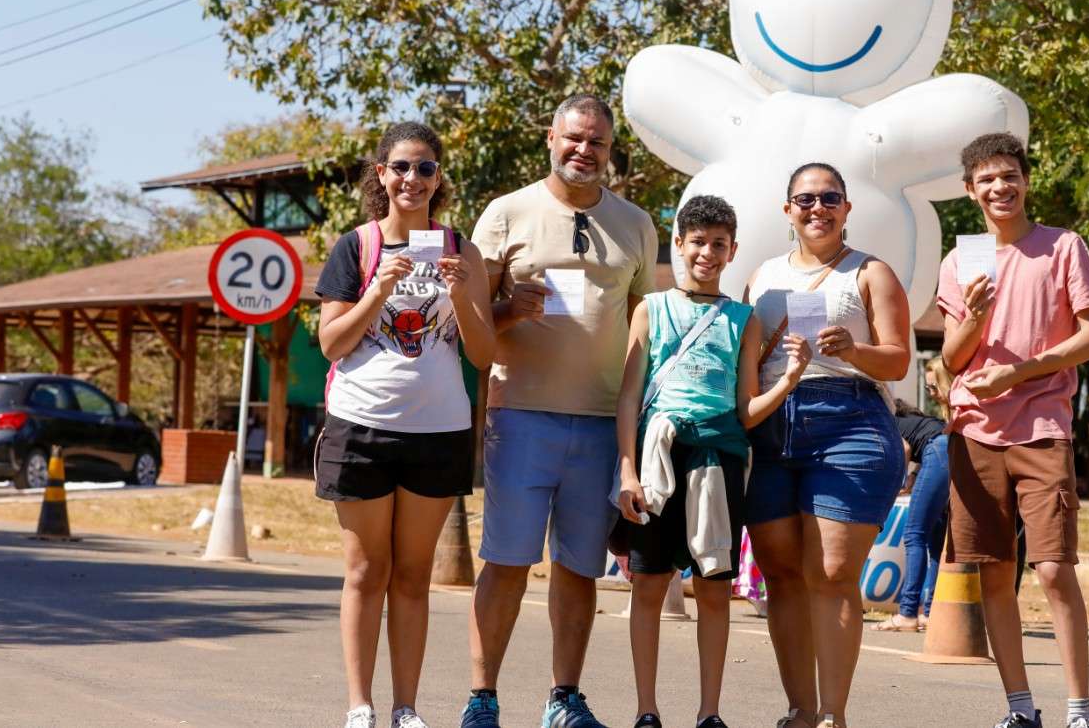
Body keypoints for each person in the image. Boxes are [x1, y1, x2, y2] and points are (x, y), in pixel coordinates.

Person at [462, 94, 657, 728]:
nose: (584, 150)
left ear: (610, 149)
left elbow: (644, 325)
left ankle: (563, 700)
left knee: (579, 568)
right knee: (507, 562)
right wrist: (507, 310)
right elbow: (469, 321)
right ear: (551, 137)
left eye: (597, 142)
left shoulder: (636, 223)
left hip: (603, 422)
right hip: (520, 414)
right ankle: (482, 699)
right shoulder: (506, 213)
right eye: (574, 137)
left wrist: (639, 427)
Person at [314, 121, 496, 728]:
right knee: (367, 571)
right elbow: (331, 344)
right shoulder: (356, 246)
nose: (412, 178)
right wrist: (377, 290)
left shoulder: (461, 249)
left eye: (425, 168)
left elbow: (483, 355)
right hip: (361, 426)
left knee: (414, 576)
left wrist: (464, 292)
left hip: (439, 431)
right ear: (381, 174)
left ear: (438, 178)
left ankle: (405, 708)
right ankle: (360, 706)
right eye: (400, 167)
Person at [613, 195, 810, 728]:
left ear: (732, 251)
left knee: (714, 587)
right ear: (678, 244)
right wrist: (627, 469)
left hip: (718, 461)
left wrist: (789, 381)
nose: (707, 253)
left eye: (718, 244)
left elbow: (746, 410)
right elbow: (629, 397)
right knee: (649, 584)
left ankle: (709, 713)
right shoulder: (650, 308)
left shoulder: (743, 319)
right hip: (657, 458)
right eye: (697, 242)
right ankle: (646, 710)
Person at [937, 133, 1089, 728]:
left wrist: (1019, 371)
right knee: (993, 571)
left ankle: (1080, 712)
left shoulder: (1063, 246)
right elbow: (953, 359)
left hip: (1042, 426)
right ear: (970, 191)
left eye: (1009, 175)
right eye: (986, 179)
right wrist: (976, 315)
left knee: (1055, 569)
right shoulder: (961, 261)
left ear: (1026, 181)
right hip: (974, 430)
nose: (999, 187)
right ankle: (1019, 709)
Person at [743, 162, 912, 728]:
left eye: (830, 198)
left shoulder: (870, 271)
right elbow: (748, 357)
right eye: (806, 199)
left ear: (846, 208)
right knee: (781, 573)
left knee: (833, 573)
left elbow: (898, 360)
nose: (818, 208)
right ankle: (800, 709)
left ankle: (832, 716)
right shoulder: (763, 275)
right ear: (787, 209)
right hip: (771, 423)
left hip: (849, 422)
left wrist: (853, 350)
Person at [874, 359, 953, 632]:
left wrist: (896, 483)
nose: (930, 393)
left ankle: (907, 612)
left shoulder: (887, 420)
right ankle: (930, 613)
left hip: (939, 453)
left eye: (933, 387)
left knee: (914, 534)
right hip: (950, 454)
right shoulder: (919, 420)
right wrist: (914, 476)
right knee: (935, 541)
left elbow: (905, 449)